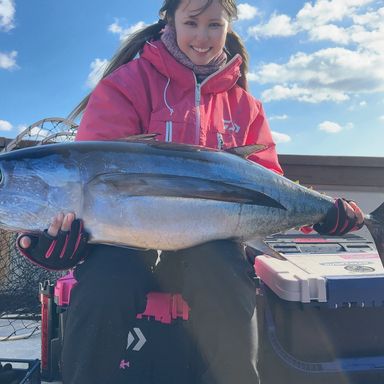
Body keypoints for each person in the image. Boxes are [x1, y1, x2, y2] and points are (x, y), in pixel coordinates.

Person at [16, 0, 364, 383]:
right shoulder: (127, 84)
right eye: (192, 22)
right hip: (123, 245)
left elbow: (267, 180)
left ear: (228, 26)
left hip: (212, 243)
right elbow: (91, 161)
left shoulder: (245, 106)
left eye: (214, 24)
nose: (202, 36)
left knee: (227, 285)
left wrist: (322, 213)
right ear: (171, 20)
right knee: (102, 288)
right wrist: (58, 242)